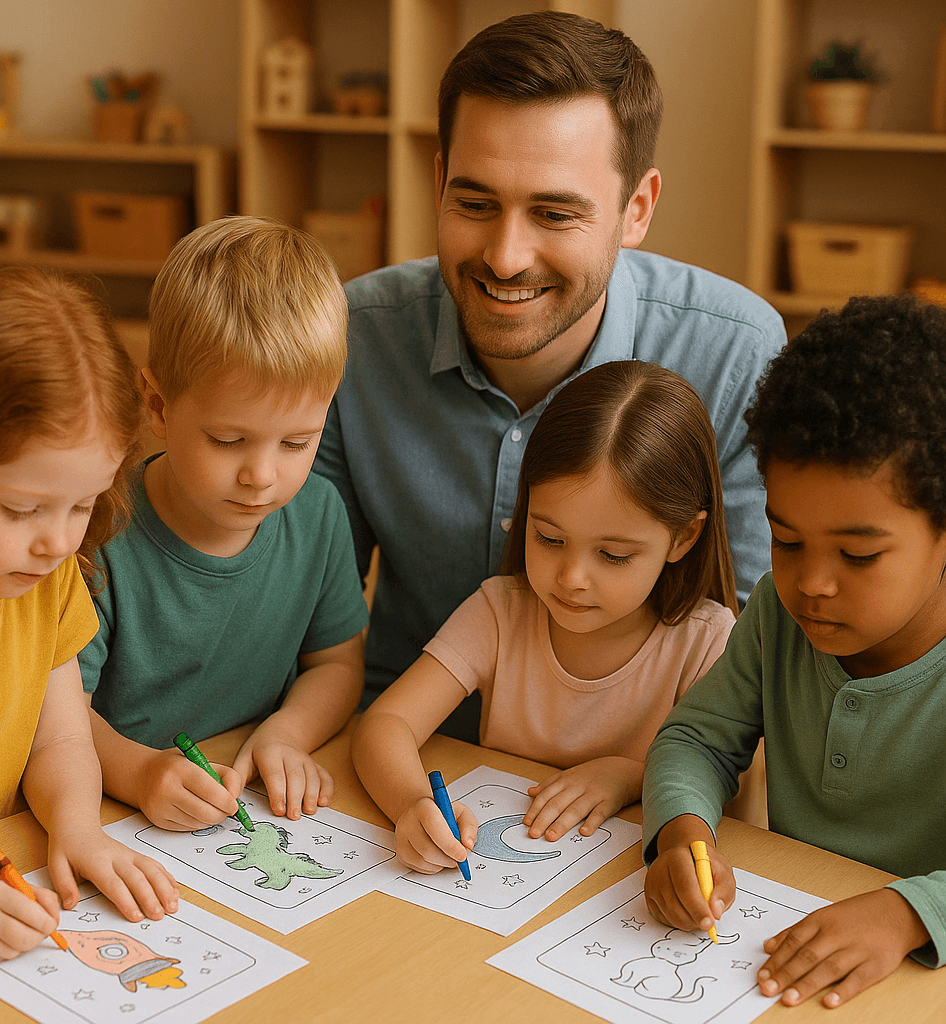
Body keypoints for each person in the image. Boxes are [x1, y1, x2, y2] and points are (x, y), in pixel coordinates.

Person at [314, 11, 786, 730]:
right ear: (438, 181)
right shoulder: (356, 337)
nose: (506, 256)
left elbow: (749, 660)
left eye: (554, 214)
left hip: (633, 779)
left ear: (637, 209)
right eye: (474, 203)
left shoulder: (735, 352)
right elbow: (307, 607)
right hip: (402, 756)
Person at [642, 293, 946, 1009]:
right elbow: (695, 739)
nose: (811, 583)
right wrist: (682, 834)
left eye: (859, 555)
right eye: (786, 540)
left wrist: (906, 913)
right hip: (792, 954)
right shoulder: (780, 614)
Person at [352, 361, 737, 873]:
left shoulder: (706, 643)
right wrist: (410, 803)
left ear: (683, 538)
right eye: (549, 539)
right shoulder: (501, 611)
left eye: (615, 555)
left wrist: (630, 776)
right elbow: (385, 724)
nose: (571, 577)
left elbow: (729, 789)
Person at [0, 267, 179, 964]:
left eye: (83, 503)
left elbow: (58, 742)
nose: (60, 541)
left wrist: (80, 830)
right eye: (22, 509)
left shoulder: (46, 577)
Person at [79, 216, 368, 833]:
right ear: (157, 406)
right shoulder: (96, 530)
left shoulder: (317, 513)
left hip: (237, 793)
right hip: (104, 809)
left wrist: (286, 736)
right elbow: (53, 716)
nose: (261, 475)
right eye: (229, 439)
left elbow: (337, 665)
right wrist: (135, 772)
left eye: (297, 441)